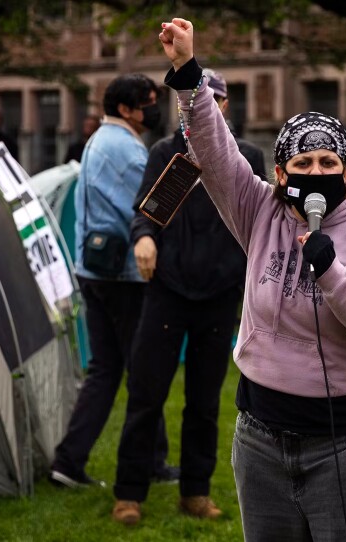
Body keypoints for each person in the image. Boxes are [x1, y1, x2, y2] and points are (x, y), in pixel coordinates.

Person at [158, 19, 346, 541]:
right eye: (302, 162)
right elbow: (215, 150)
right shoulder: (258, 212)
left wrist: (334, 272)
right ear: (279, 173)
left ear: (344, 173)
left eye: (326, 162)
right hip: (261, 439)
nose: (314, 172)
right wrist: (187, 72)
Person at [111, 69, 267, 525]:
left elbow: (263, 226)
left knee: (204, 401)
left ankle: (195, 491)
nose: (208, 108)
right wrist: (144, 238)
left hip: (219, 296)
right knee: (146, 394)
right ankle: (129, 493)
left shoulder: (246, 158)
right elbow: (148, 213)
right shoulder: (170, 153)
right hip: (168, 293)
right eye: (198, 101)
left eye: (216, 100)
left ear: (223, 108)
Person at [49, 73, 175, 488]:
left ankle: (69, 461)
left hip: (93, 270)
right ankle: (150, 463)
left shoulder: (98, 140)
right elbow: (153, 205)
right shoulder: (126, 148)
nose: (155, 110)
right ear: (125, 109)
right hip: (123, 277)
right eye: (149, 102)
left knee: (106, 370)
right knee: (144, 370)